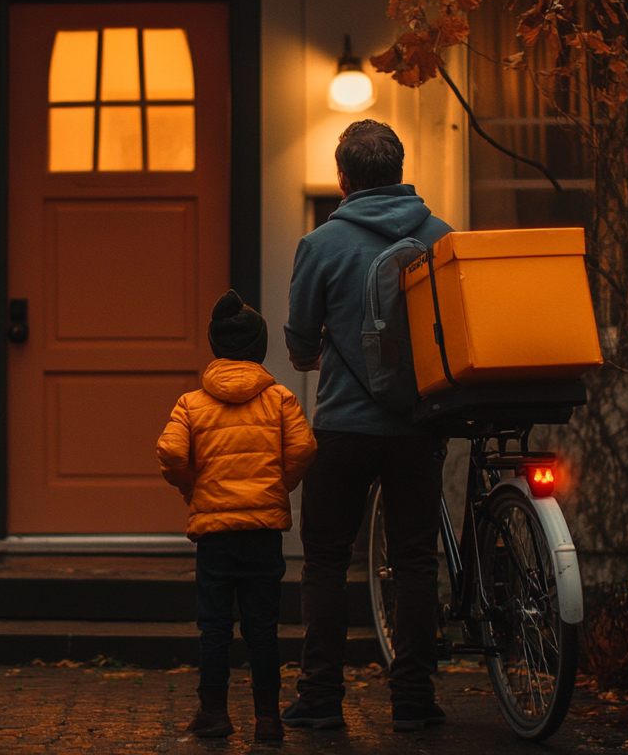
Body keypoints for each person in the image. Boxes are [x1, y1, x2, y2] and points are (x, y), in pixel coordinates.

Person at [281, 119, 454, 732]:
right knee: (415, 562)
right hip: (418, 426)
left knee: (326, 559)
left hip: (345, 429)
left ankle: (322, 696)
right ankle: (413, 696)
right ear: (401, 173)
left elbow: (302, 342)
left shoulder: (320, 245)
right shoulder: (442, 238)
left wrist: (323, 347)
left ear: (344, 179)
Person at [156, 289, 318, 742]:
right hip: (263, 531)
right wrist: (277, 487)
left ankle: (214, 713)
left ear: (215, 347)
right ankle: (268, 719)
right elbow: (304, 449)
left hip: (215, 532)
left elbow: (170, 452)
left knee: (214, 626)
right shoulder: (280, 399)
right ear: (259, 349)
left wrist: (193, 486)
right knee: (262, 627)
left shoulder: (191, 404)